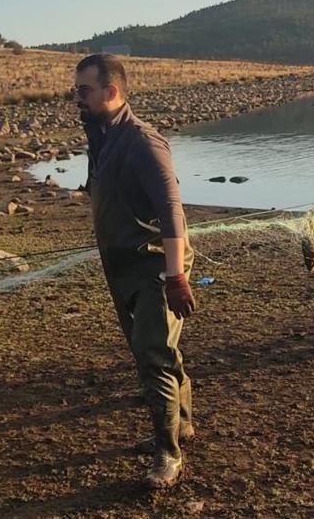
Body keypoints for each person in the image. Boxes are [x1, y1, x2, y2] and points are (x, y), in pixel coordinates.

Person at [73, 53, 196, 488]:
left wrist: (176, 275)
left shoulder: (144, 142)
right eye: (76, 91)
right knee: (157, 352)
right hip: (121, 268)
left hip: (154, 268)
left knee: (152, 359)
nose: (77, 99)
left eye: (84, 91)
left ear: (112, 92)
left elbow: (171, 210)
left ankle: (168, 454)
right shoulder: (101, 136)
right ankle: (180, 424)